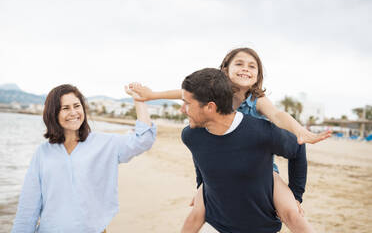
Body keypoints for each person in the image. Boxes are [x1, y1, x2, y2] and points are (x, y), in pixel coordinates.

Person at [128, 47, 331, 232]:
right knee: (196, 212)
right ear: (225, 69)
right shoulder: (213, 93)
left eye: (252, 66)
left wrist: (299, 131)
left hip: (260, 164)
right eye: (239, 64)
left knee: (291, 214)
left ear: (258, 75)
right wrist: (151, 95)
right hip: (219, 160)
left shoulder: (256, 99)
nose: (245, 69)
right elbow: (187, 96)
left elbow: (278, 116)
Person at [11, 84, 156, 233]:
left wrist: (139, 101)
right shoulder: (42, 153)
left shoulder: (104, 143)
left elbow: (143, 139)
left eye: (76, 106)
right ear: (53, 113)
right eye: (65, 108)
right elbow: (28, 209)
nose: (73, 112)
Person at [180, 68, 308, 232]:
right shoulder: (191, 135)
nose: (182, 109)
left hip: (261, 227)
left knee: (293, 215)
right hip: (215, 226)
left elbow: (298, 147)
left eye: (187, 103)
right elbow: (201, 162)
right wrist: (202, 188)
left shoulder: (261, 132)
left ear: (210, 107)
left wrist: (296, 194)